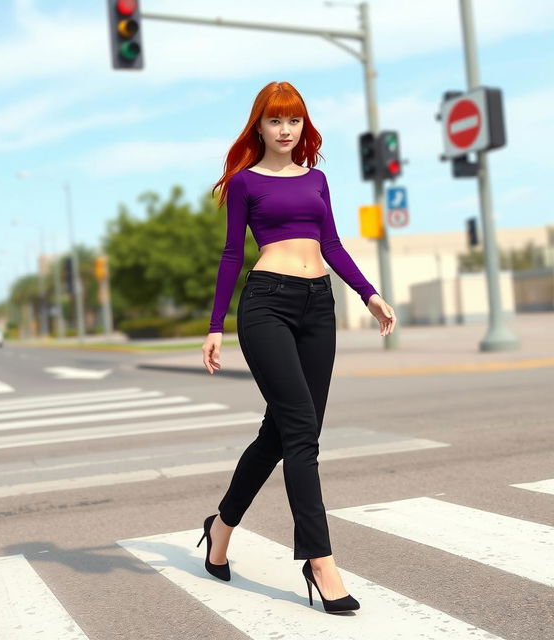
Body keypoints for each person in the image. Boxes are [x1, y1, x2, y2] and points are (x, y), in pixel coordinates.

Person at [198, 81, 396, 613]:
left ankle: (220, 526)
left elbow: (330, 244)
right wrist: (216, 325)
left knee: (280, 434)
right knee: (303, 433)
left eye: (294, 122)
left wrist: (370, 294)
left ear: (303, 127)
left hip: (319, 306)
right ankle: (320, 560)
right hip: (266, 306)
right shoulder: (245, 184)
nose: (285, 131)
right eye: (275, 121)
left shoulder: (318, 180)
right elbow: (230, 256)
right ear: (258, 127)